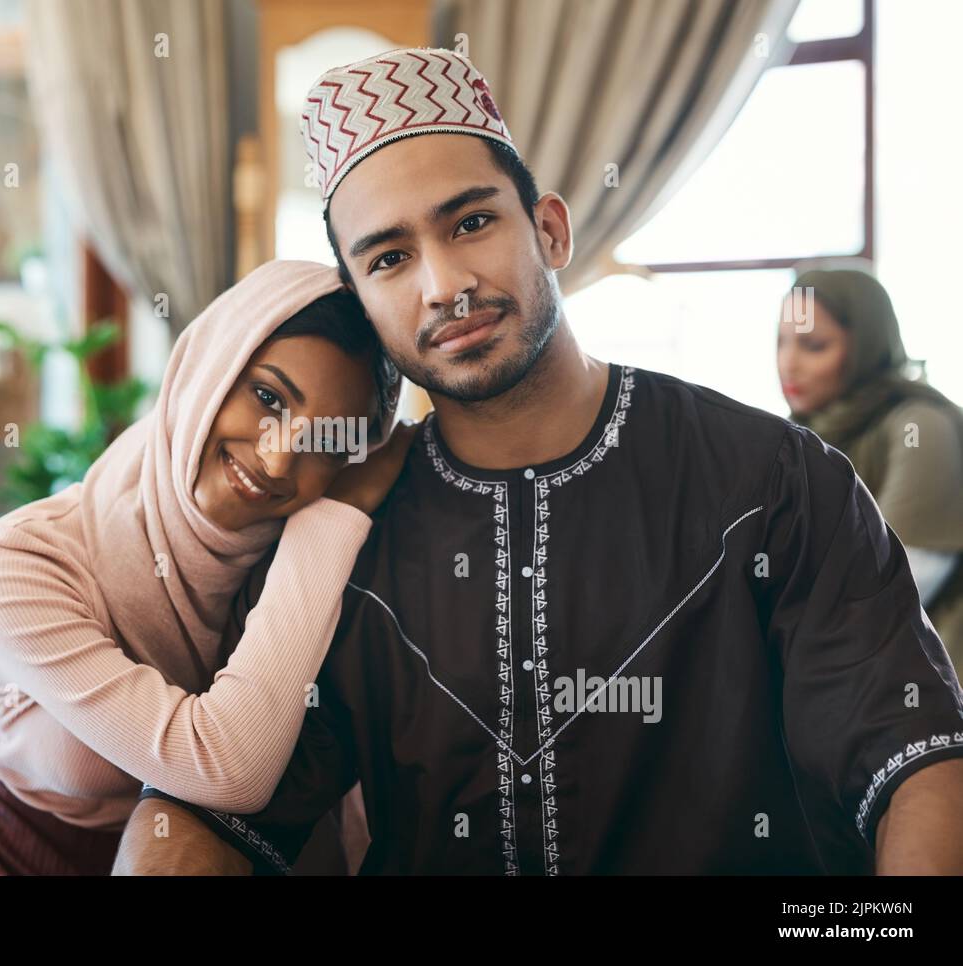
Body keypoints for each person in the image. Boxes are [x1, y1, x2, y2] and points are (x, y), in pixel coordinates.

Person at [115, 47, 963, 876]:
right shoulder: (338, 541)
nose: (444, 283)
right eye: (389, 259)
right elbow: (209, 808)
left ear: (550, 229)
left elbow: (915, 756)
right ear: (364, 305)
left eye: (472, 223)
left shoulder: (775, 481)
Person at [0, 259, 411, 875]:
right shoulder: (11, 564)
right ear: (209, 368)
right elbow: (231, 771)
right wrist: (336, 512)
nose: (277, 460)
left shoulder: (308, 570)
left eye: (325, 442)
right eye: (268, 397)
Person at [778, 268, 963, 667]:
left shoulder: (918, 425)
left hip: (927, 682)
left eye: (813, 345)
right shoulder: (802, 436)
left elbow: (898, 582)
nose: (788, 363)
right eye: (782, 342)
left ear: (866, 345)